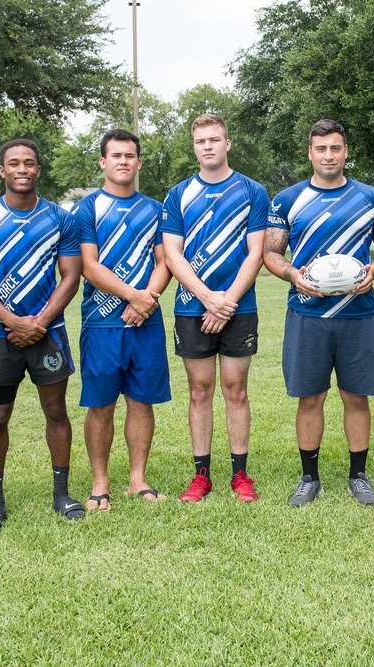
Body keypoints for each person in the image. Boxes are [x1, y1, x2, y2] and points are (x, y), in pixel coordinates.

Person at [264, 119, 374, 506]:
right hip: (307, 315)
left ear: (345, 151)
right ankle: (310, 478)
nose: (328, 155)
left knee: (356, 397)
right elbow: (272, 253)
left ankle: (358, 475)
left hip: (358, 315)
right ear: (310, 153)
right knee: (311, 398)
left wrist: (373, 271)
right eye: (321, 148)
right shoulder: (287, 199)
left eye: (335, 148)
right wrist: (292, 274)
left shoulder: (371, 197)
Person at [0, 138, 85, 532]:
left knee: (56, 413)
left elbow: (71, 276)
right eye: (13, 163)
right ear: (1, 170)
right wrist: (12, 322)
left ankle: (61, 494)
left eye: (29, 163)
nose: (21, 169)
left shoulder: (61, 218)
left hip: (49, 333)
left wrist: (39, 323)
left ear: (38, 169)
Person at [161, 114, 268, 502]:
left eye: (214, 139)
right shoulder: (178, 195)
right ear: (194, 147)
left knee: (236, 390)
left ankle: (240, 476)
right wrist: (208, 297)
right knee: (200, 391)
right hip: (192, 308)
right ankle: (201, 475)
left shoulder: (253, 191)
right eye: (200, 141)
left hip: (239, 307)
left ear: (227, 144)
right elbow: (173, 254)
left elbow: (256, 253)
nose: (207, 146)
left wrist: (227, 302)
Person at [72, 129, 172, 511]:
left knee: (141, 402)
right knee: (100, 405)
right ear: (103, 162)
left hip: (145, 322)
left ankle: (137, 479)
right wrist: (133, 296)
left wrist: (147, 301)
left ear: (139, 162)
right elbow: (88, 265)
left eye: (130, 155)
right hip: (102, 322)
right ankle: (100, 483)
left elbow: (165, 260)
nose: (123, 162)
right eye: (116, 156)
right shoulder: (86, 209)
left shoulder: (155, 209)